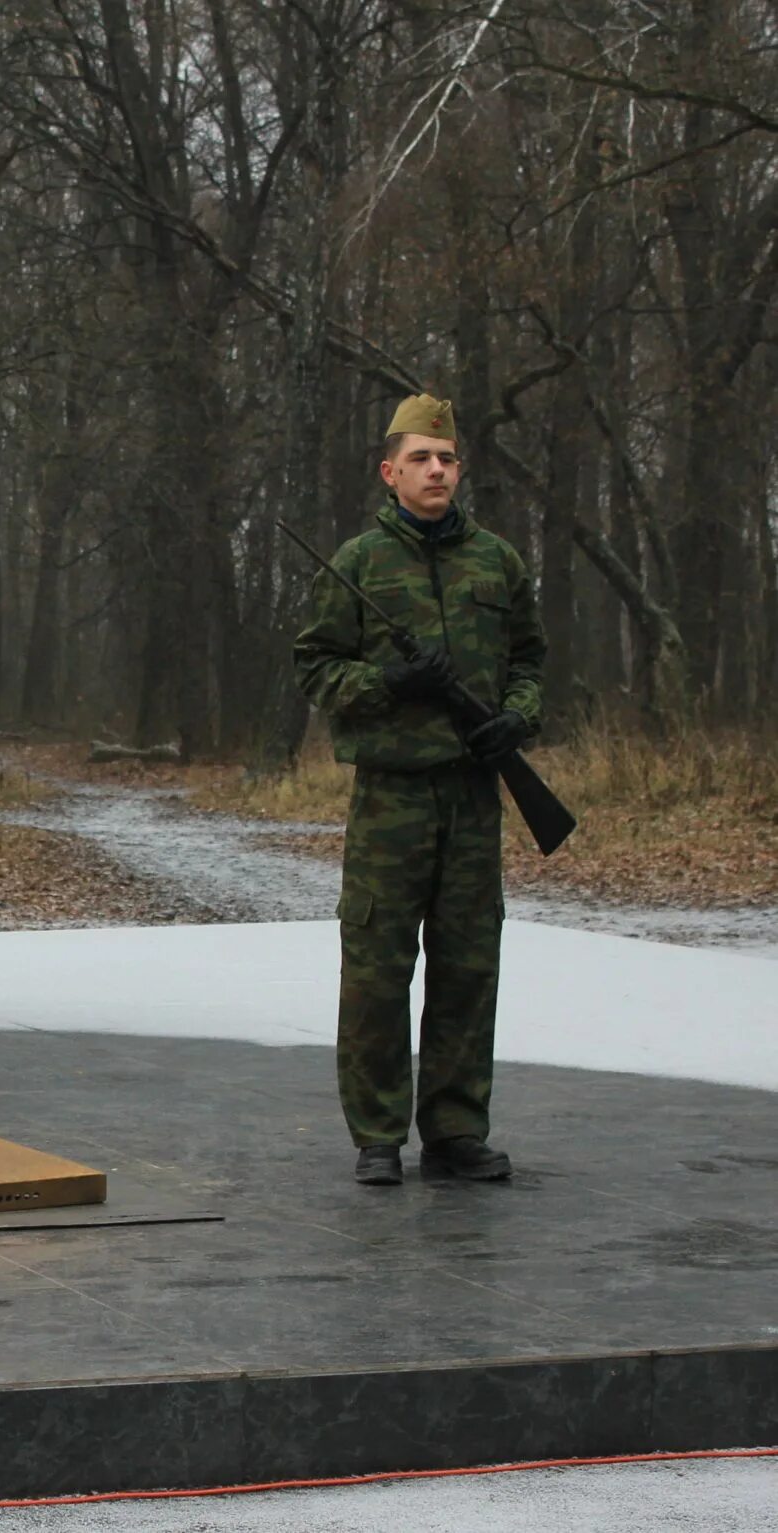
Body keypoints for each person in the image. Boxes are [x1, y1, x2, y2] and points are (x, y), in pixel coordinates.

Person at [293, 394, 545, 1186]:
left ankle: (456, 1130)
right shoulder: (359, 562)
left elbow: (531, 660)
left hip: (474, 795)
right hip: (392, 799)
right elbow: (316, 668)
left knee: (470, 966)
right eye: (421, 459)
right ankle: (377, 1134)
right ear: (390, 471)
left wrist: (516, 719)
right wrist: (388, 682)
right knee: (376, 968)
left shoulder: (497, 562)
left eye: (448, 459)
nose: (437, 470)